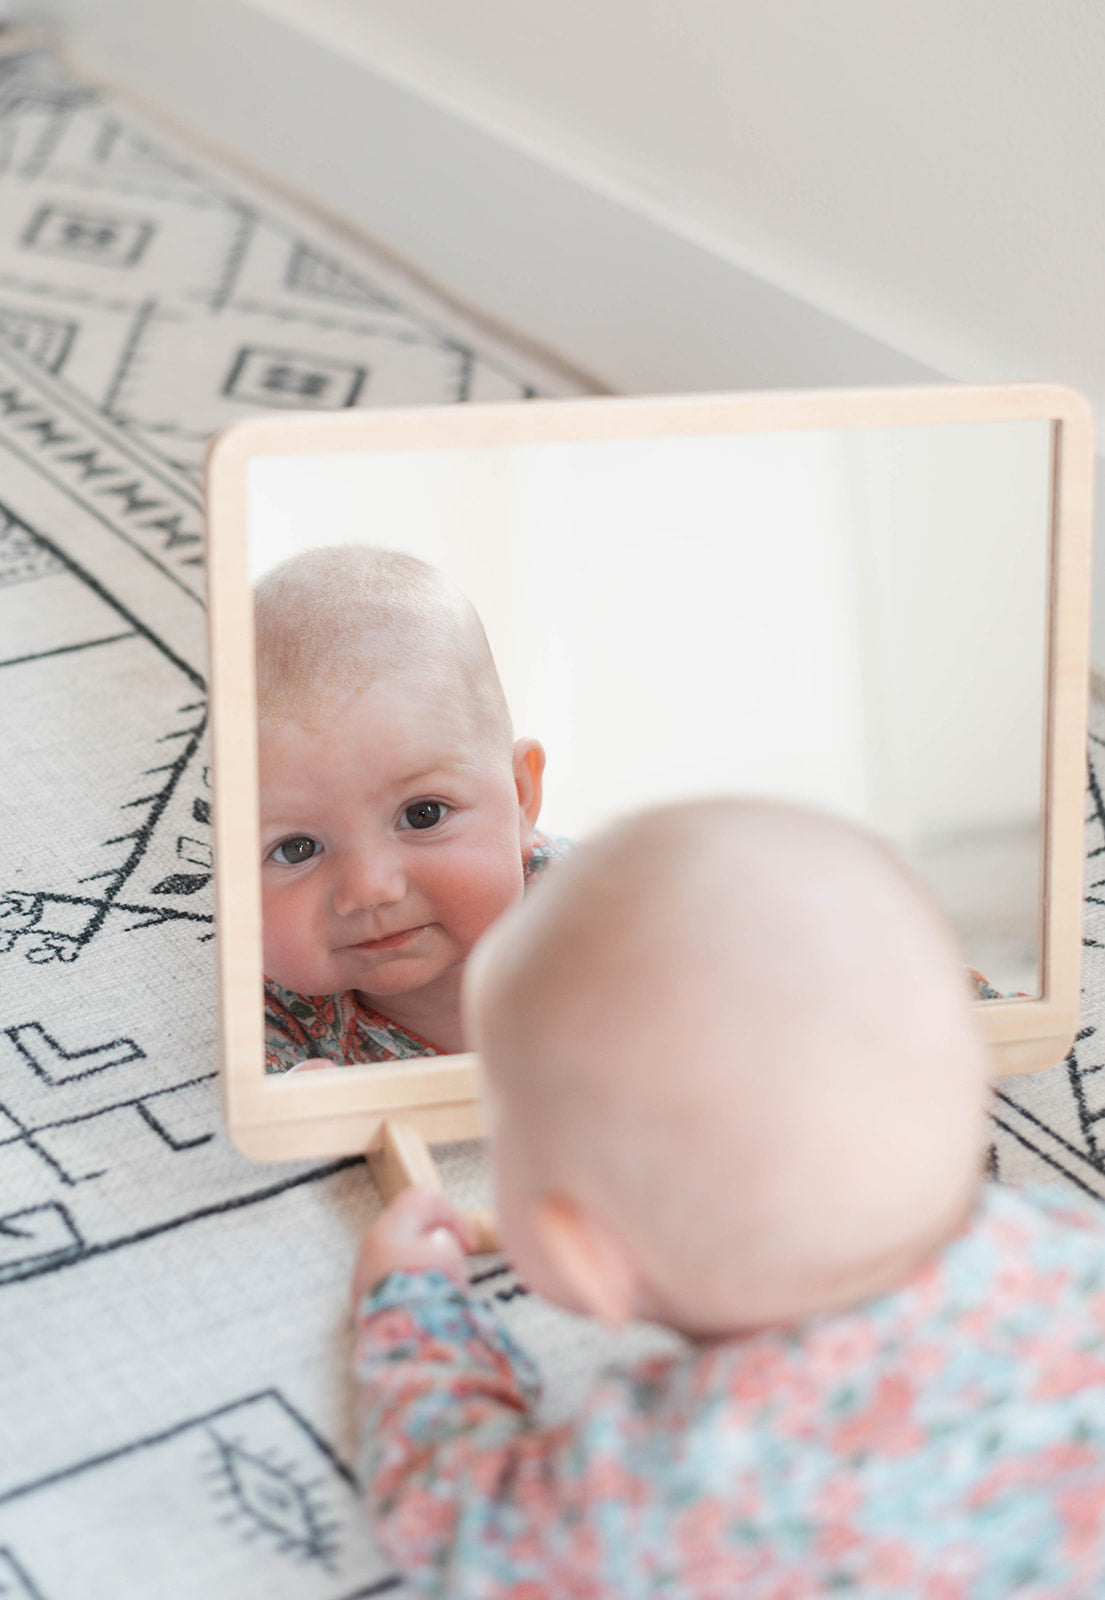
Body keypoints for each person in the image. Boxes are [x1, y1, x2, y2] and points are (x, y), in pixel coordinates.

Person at [350, 797, 1105, 1596]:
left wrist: (413, 1316)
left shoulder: (667, 1486)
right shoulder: (1073, 1246)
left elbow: (454, 1522)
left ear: (587, 1256)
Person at [255, 544, 559, 1072]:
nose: (370, 888)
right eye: (296, 848)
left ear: (520, 797)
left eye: (424, 815)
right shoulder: (266, 1015)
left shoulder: (601, 917)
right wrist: (296, 1109)